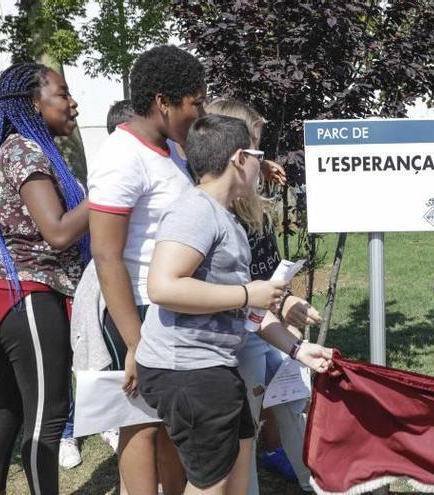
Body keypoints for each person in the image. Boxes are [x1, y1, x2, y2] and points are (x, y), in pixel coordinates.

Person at [135, 113, 333, 494]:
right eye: (258, 153)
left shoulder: (225, 218)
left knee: (238, 468)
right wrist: (247, 292)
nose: (263, 164)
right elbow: (161, 286)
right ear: (240, 158)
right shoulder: (194, 211)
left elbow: (246, 313)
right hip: (189, 371)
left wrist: (297, 349)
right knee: (212, 484)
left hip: (215, 367)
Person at [88, 45, 206, 495]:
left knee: (171, 421)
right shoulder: (122, 157)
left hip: (168, 304)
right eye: (195, 102)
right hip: (135, 306)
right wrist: (135, 340)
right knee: (138, 424)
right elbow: (106, 255)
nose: (200, 111)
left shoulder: (169, 151)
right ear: (163, 101)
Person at [0, 62, 88, 495]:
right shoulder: (25, 151)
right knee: (49, 413)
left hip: (15, 293)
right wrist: (114, 194)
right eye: (63, 93)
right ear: (33, 104)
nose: (73, 102)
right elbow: (58, 231)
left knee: (12, 405)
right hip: (30, 295)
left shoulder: (24, 147)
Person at [205, 97, 317, 493]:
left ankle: (316, 482)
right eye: (256, 150)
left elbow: (264, 272)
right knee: (245, 433)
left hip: (264, 327)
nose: (262, 160)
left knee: (295, 404)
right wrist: (279, 305)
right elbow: (238, 289)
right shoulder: (213, 214)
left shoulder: (252, 205)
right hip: (239, 338)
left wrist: (285, 302)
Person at [59, 99, 133, 470]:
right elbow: (64, 234)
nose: (73, 106)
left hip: (90, 277)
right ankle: (70, 430)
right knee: (81, 363)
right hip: (74, 283)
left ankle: (108, 422)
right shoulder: (108, 174)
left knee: (106, 364)